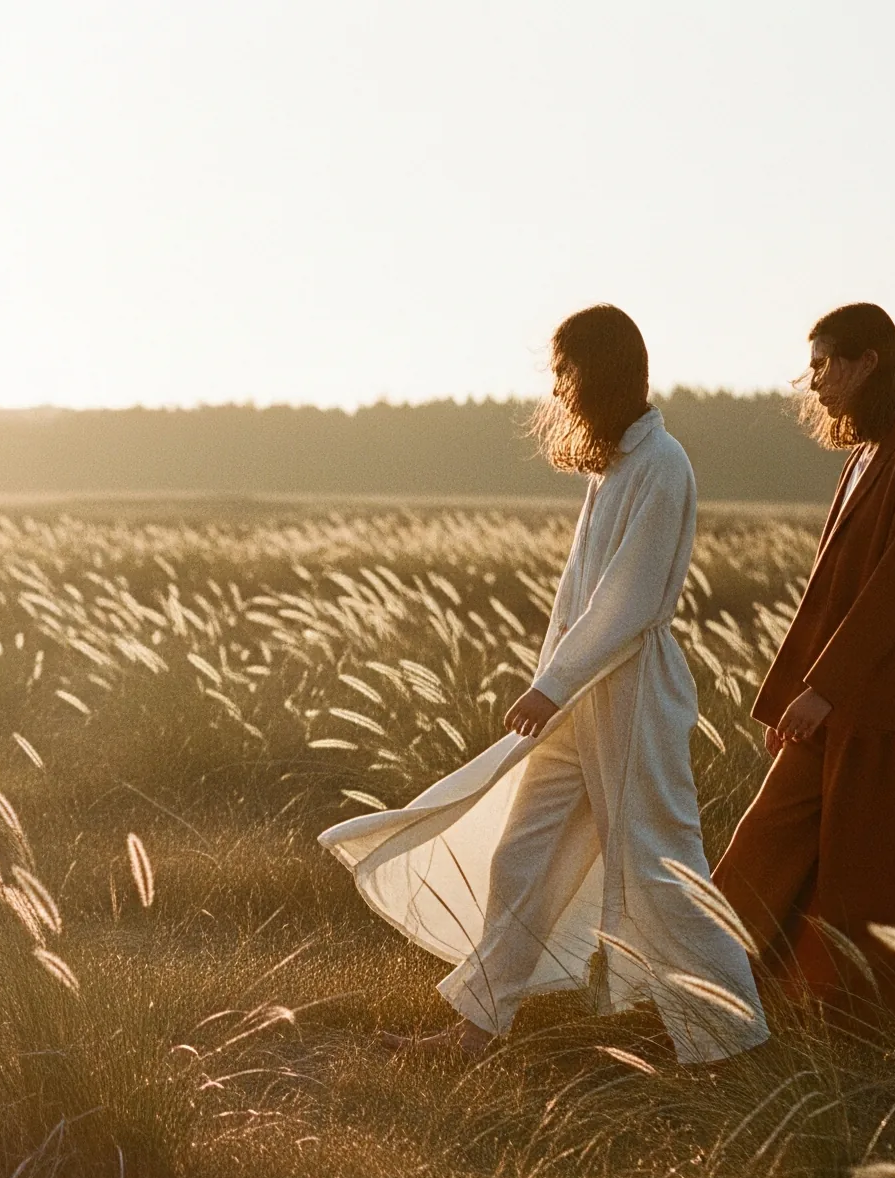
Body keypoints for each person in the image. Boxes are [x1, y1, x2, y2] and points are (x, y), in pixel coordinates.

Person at [322, 305, 767, 1065]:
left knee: (661, 868)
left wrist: (551, 686)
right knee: (521, 856)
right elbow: (575, 597)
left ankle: (733, 1041)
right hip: (576, 703)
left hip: (628, 699)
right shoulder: (614, 465)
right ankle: (473, 1034)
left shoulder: (663, 466)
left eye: (565, 372)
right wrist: (552, 682)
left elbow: (624, 602)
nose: (557, 388)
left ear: (598, 373)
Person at [711, 303, 895, 1020]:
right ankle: (700, 999)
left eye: (822, 366)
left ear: (868, 362)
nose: (813, 385)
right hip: (838, 706)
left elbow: (894, 596)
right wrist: (798, 697)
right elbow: (828, 598)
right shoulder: (865, 457)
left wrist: (822, 692)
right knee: (762, 846)